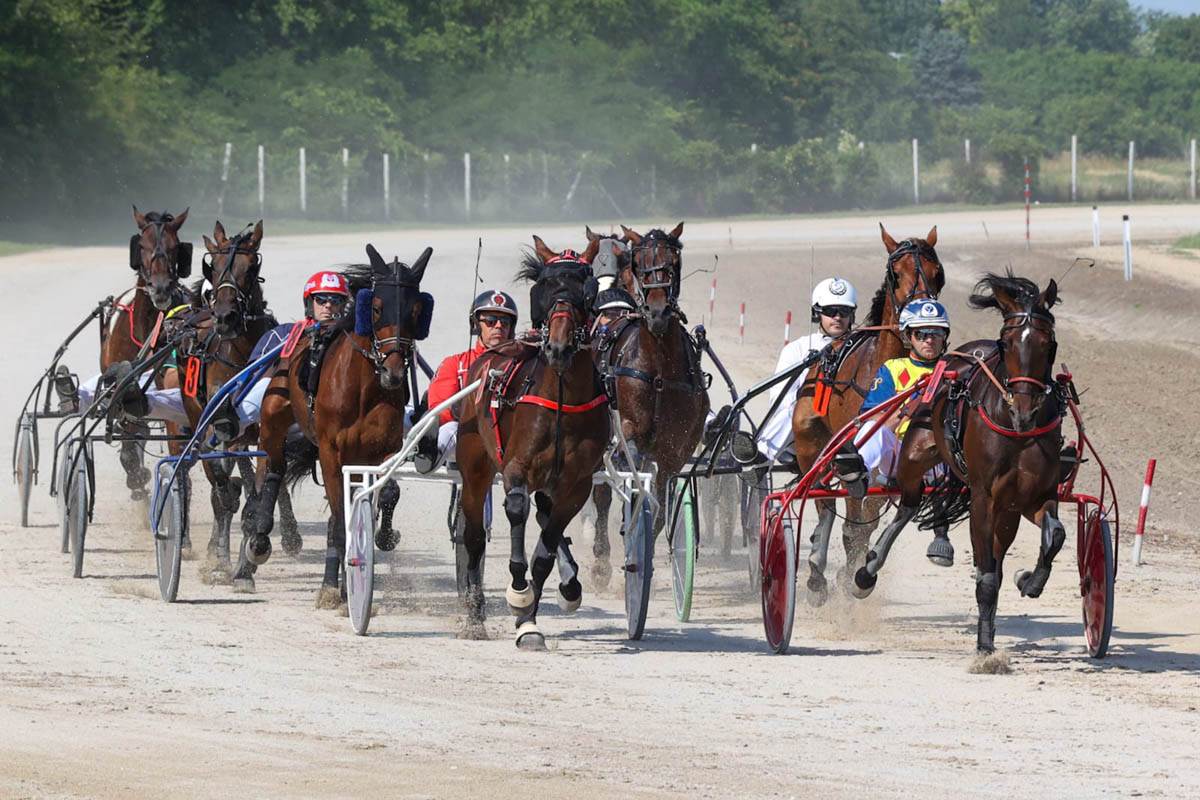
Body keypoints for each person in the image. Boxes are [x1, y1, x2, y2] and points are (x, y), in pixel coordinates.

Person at [849, 298, 955, 565]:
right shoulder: (893, 369)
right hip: (896, 452)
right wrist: (907, 412)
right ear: (909, 336)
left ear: (944, 338)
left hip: (939, 457)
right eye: (922, 334)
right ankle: (854, 469)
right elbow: (875, 416)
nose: (929, 340)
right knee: (873, 428)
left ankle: (941, 536)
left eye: (936, 334)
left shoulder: (955, 373)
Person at [752, 277, 858, 462]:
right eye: (830, 311)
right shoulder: (797, 349)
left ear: (852, 314)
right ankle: (761, 459)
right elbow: (779, 399)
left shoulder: (860, 349)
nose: (838, 317)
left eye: (844, 311)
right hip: (802, 432)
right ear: (817, 313)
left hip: (847, 431)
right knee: (791, 411)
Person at [416, 289, 519, 473]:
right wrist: (459, 412)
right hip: (466, 433)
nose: (498, 326)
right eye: (490, 321)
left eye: (505, 322)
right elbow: (440, 405)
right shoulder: (456, 363)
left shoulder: (521, 366)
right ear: (476, 325)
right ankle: (429, 454)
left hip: (506, 437)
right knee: (449, 428)